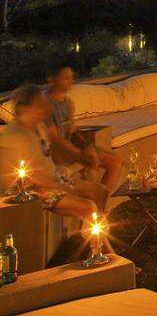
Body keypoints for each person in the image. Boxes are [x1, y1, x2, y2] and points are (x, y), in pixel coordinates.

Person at [0, 85, 109, 217]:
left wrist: (83, 158)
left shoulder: (38, 126)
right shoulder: (14, 136)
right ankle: (94, 234)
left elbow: (53, 151)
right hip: (31, 190)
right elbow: (27, 177)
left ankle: (97, 231)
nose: (45, 108)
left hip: (53, 177)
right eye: (39, 104)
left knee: (100, 191)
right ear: (26, 108)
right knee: (89, 206)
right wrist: (63, 187)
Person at [44, 67, 125, 191]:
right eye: (66, 78)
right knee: (95, 162)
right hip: (54, 154)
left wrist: (88, 146)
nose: (70, 81)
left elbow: (72, 132)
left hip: (69, 149)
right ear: (52, 79)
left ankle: (99, 203)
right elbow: (55, 140)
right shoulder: (44, 104)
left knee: (116, 161)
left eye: (71, 77)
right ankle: (95, 202)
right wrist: (81, 155)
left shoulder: (68, 103)